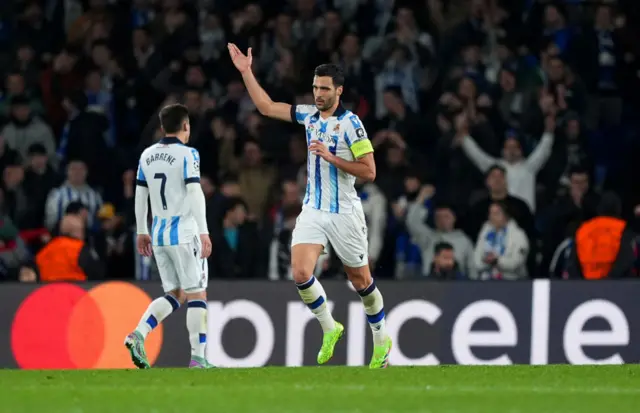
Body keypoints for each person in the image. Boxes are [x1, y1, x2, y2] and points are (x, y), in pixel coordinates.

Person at [228, 43, 392, 368]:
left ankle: (381, 338)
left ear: (339, 91)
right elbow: (265, 106)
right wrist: (246, 71)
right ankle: (330, 327)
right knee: (301, 272)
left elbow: (370, 171)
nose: (318, 93)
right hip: (313, 209)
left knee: (361, 281)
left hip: (344, 211)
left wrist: (333, 158)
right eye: (315, 87)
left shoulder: (351, 124)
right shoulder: (308, 116)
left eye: (324, 89)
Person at [124, 104, 213, 369]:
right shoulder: (188, 154)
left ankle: (138, 334)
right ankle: (198, 358)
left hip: (159, 233)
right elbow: (195, 192)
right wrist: (204, 230)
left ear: (162, 128)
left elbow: (140, 194)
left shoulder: (147, 155)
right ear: (186, 126)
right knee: (197, 294)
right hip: (185, 233)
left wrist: (142, 230)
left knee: (175, 294)